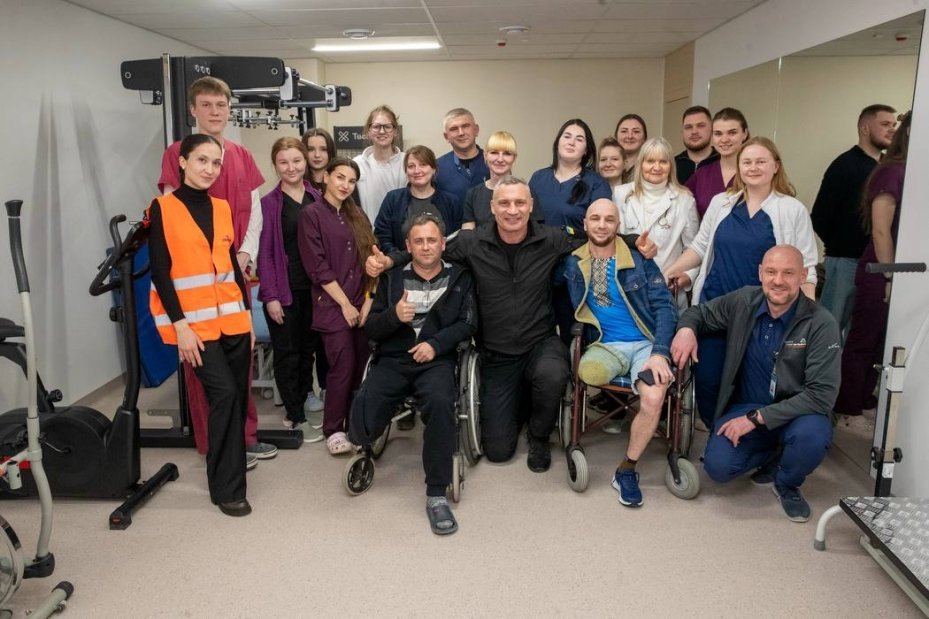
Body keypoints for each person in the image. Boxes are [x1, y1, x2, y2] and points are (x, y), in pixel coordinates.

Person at [366, 178, 657, 472]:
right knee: (498, 451)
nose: (512, 210)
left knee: (553, 374)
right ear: (492, 207)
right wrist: (388, 262)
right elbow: (428, 248)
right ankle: (521, 402)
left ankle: (539, 436)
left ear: (531, 206)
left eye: (520, 202)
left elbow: (596, 235)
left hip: (540, 343)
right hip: (496, 352)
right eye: (504, 203)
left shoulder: (552, 238)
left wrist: (634, 241)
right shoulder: (470, 242)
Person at [670, 245, 840, 522]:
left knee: (812, 436)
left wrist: (756, 418)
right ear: (761, 273)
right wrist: (686, 330)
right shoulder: (744, 301)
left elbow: (822, 395)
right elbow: (698, 313)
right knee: (718, 467)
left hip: (799, 412)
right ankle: (773, 454)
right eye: (771, 272)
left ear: (803, 276)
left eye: (788, 273)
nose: (778, 280)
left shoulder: (821, 323)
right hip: (747, 405)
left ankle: (787, 483)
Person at [156, 76, 276, 466]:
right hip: (196, 283)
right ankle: (216, 446)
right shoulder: (179, 152)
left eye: (221, 105)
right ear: (193, 110)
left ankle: (246, 437)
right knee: (205, 372)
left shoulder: (241, 155)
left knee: (240, 366)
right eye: (206, 105)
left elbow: (254, 211)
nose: (214, 112)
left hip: (233, 271)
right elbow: (173, 217)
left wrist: (245, 253)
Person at [665, 137, 817, 429]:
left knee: (752, 384)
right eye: (746, 162)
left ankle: (745, 437)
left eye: (761, 161)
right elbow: (699, 247)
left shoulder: (792, 209)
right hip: (715, 306)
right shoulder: (721, 203)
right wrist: (667, 272)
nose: (753, 167)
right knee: (708, 378)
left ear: (776, 166)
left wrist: (809, 319)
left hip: (763, 314)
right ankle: (717, 430)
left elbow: (806, 268)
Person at [348, 213, 477, 536]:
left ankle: (436, 493)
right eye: (418, 241)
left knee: (440, 403)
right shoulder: (392, 279)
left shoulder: (460, 277)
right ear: (408, 246)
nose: (426, 246)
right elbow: (372, 329)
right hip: (393, 359)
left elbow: (468, 324)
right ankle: (364, 444)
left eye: (432, 240)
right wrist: (394, 315)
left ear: (443, 243)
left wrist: (435, 344)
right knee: (366, 403)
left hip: (436, 361)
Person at [148, 134, 254, 517]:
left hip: (234, 322)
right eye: (202, 160)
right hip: (194, 328)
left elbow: (232, 269)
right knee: (223, 394)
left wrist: (247, 318)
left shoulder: (222, 208)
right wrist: (180, 327)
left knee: (236, 400)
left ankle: (224, 478)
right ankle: (229, 490)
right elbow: (160, 272)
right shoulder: (162, 208)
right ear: (182, 162)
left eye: (215, 162)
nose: (210, 169)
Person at [562, 199, 678, 507]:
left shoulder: (639, 259)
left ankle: (627, 469)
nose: (601, 225)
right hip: (606, 344)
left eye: (609, 219)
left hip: (646, 344)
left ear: (618, 225)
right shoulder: (574, 262)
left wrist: (660, 353)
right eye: (595, 218)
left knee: (653, 397)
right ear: (585, 224)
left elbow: (665, 307)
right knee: (588, 372)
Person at [835, 111, 912, 419]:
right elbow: (881, 231)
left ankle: (865, 398)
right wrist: (890, 278)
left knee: (883, 343)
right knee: (864, 340)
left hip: (900, 272)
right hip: (881, 271)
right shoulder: (891, 172)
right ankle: (847, 405)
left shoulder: (913, 171)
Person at [298, 158, 377, 456]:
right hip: (332, 305)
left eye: (352, 181)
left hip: (361, 302)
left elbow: (372, 260)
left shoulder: (357, 215)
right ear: (326, 177)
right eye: (340, 177)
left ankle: (355, 426)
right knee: (342, 366)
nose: (345, 185)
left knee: (361, 368)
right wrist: (345, 304)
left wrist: (368, 301)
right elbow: (316, 267)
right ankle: (333, 429)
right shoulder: (311, 215)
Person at [257, 137, 325, 443]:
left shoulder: (317, 196)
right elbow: (265, 255)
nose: (291, 167)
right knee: (288, 354)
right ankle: (295, 415)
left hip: (316, 289)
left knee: (309, 349)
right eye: (283, 162)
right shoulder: (269, 204)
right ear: (275, 165)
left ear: (305, 161)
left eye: (296, 160)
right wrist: (271, 296)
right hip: (285, 290)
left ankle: (306, 393)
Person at [811, 104, 897, 337]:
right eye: (885, 124)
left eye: (894, 125)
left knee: (858, 333)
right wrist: (842, 248)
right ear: (865, 128)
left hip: (874, 263)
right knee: (829, 330)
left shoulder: (886, 167)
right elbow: (820, 216)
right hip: (845, 262)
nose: (892, 129)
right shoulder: (844, 165)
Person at [529, 119, 612, 344]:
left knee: (571, 331)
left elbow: (601, 227)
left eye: (579, 139)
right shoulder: (538, 178)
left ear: (586, 150)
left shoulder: (596, 183)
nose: (571, 142)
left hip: (575, 265)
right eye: (567, 136)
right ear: (558, 142)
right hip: (539, 263)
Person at [616, 136, 700, 308]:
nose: (656, 167)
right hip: (628, 288)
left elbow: (695, 248)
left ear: (671, 166)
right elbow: (614, 239)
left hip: (667, 288)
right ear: (641, 164)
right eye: (650, 161)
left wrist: (687, 277)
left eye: (663, 161)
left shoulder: (684, 199)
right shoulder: (621, 194)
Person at [299, 127, 337, 413]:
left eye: (322, 149)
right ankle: (305, 392)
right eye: (311, 149)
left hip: (333, 276)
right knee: (306, 340)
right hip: (303, 275)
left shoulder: (339, 183)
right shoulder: (296, 186)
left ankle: (327, 386)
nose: (316, 155)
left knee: (329, 339)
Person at [374, 146, 461, 254]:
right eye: (411, 166)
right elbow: (382, 237)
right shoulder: (393, 199)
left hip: (443, 262)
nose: (417, 171)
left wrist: (432, 259)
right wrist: (400, 258)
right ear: (406, 171)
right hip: (400, 263)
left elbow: (456, 240)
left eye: (423, 165)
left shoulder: (451, 202)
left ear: (433, 169)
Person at [462, 131, 539, 229]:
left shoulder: (527, 191)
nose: (500, 159)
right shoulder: (473, 194)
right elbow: (468, 233)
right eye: (494, 153)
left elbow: (536, 231)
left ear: (514, 158)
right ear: (485, 155)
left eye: (507, 153)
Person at [685, 107, 749, 219]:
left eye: (732, 133)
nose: (724, 139)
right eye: (718, 134)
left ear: (745, 134)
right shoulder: (702, 175)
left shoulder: (754, 172)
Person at [353, 105, 405, 223]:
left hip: (401, 231)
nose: (382, 131)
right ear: (368, 131)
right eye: (376, 127)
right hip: (368, 232)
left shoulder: (407, 162)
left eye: (387, 126)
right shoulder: (357, 164)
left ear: (395, 131)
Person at [435, 108, 490, 204]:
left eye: (465, 126)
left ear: (476, 130)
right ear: (446, 137)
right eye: (454, 129)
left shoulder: (494, 162)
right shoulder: (437, 168)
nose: (461, 133)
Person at [675, 106, 718, 185]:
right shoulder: (672, 165)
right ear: (682, 132)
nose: (694, 131)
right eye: (688, 127)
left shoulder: (724, 162)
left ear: (712, 129)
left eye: (700, 126)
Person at [614, 114, 647, 183]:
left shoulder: (650, 168)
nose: (630, 136)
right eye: (624, 131)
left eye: (636, 131)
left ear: (644, 138)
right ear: (616, 136)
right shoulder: (606, 165)